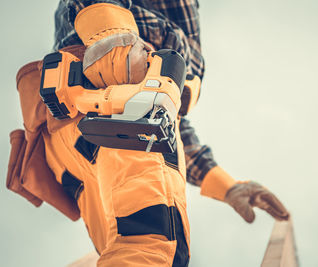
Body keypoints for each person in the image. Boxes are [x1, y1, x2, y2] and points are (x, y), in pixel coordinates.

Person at [9, 1, 289, 266]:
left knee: (128, 250)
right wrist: (116, 48)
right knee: (154, 247)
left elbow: (169, 127)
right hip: (121, 106)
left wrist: (226, 186)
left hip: (85, 124)